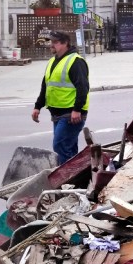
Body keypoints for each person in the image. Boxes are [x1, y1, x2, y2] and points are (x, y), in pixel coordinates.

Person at [31, 30, 89, 165]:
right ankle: (77, 179)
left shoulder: (76, 62)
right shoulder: (53, 61)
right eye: (51, 42)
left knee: (60, 146)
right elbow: (46, 85)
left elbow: (83, 87)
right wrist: (37, 106)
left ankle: (67, 180)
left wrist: (77, 109)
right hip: (58, 113)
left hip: (71, 114)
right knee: (69, 148)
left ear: (65, 43)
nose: (51, 45)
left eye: (55, 42)